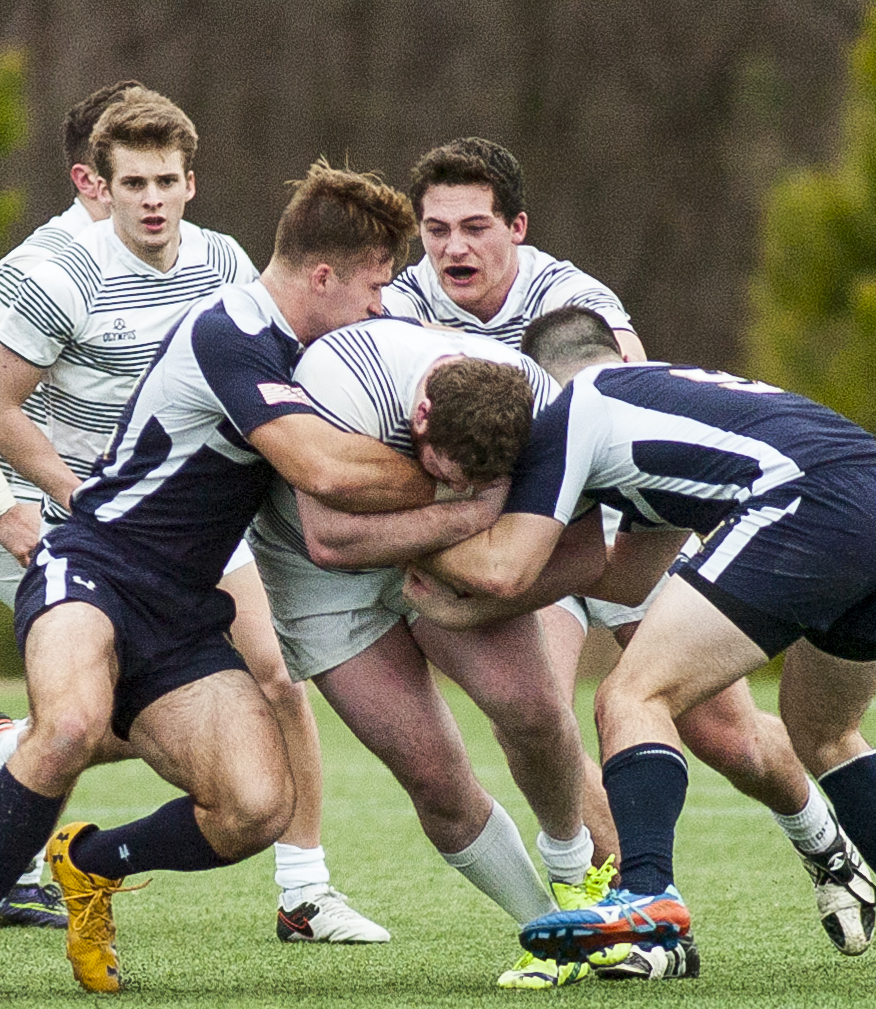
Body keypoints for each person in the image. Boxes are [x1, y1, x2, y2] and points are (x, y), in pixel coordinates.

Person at [0, 161, 425, 1004]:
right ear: (322, 275)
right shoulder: (231, 329)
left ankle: (88, 863)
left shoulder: (331, 343)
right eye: (374, 284)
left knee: (256, 806)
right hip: (96, 562)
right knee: (70, 723)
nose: (381, 304)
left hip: (184, 609)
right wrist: (457, 485)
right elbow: (315, 469)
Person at [381, 138, 876, 978]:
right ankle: (624, 916)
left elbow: (635, 410)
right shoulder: (398, 307)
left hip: (622, 531)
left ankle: (822, 842)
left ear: (517, 227)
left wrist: (594, 566)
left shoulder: (570, 297)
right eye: (435, 230)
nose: (453, 249)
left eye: (473, 227)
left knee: (722, 732)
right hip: (528, 540)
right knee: (537, 712)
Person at [416, 307, 876, 989]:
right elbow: (622, 575)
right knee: (824, 733)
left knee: (631, 693)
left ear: (538, 377)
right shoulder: (653, 401)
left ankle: (647, 890)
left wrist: (416, 569)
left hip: (808, 501)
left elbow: (505, 566)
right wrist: (478, 602)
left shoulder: (570, 409)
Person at [245, 314, 621, 987]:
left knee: (532, 707)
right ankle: (548, 931)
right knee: (434, 777)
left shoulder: (539, 415)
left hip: (445, 559)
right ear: (418, 414)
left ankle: (572, 879)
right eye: (438, 467)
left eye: (477, 479)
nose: (454, 480)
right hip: (316, 572)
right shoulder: (343, 378)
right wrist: (464, 509)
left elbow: (584, 555)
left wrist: (475, 603)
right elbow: (330, 537)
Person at [0, 79, 137, 930]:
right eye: (132, 167)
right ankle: (6, 803)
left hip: (101, 513)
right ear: (91, 176)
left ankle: (4, 755)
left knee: (188, 690)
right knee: (115, 702)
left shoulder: (175, 256)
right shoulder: (55, 260)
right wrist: (2, 505)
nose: (154, 185)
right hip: (21, 503)